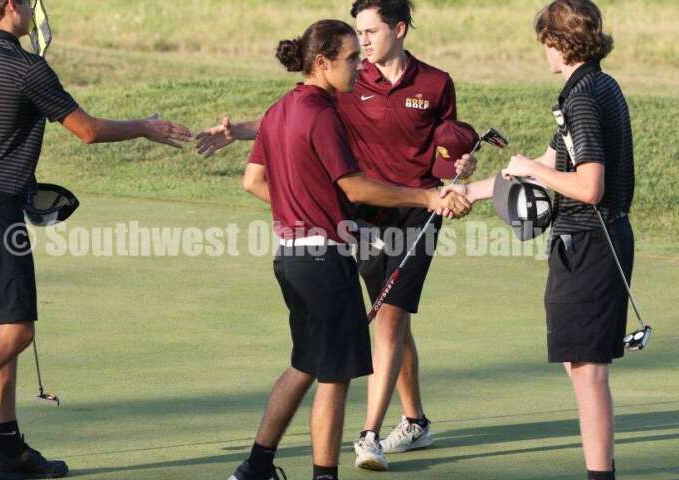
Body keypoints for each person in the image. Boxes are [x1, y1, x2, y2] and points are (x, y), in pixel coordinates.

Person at [0, 1, 192, 479]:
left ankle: (9, 452)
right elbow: (88, 131)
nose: (33, 9)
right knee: (16, 332)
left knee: (2, 332)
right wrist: (145, 127)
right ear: (12, 6)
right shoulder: (27, 67)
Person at [197, 0, 477, 470]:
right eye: (351, 55)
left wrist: (300, 210)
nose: (360, 60)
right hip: (331, 255)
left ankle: (257, 464)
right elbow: (353, 185)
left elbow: (253, 180)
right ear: (323, 63)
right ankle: (329, 468)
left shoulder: (283, 106)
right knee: (336, 375)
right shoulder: (324, 112)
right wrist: (427, 199)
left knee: (308, 362)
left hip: (293, 254)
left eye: (364, 44)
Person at [444, 1, 633, 479]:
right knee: (580, 365)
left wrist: (528, 167)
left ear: (561, 42)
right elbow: (551, 166)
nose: (543, 52)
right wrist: (472, 190)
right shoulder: (592, 86)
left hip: (590, 244)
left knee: (587, 370)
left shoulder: (583, 98)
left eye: (547, 42)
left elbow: (590, 186)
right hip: (588, 244)